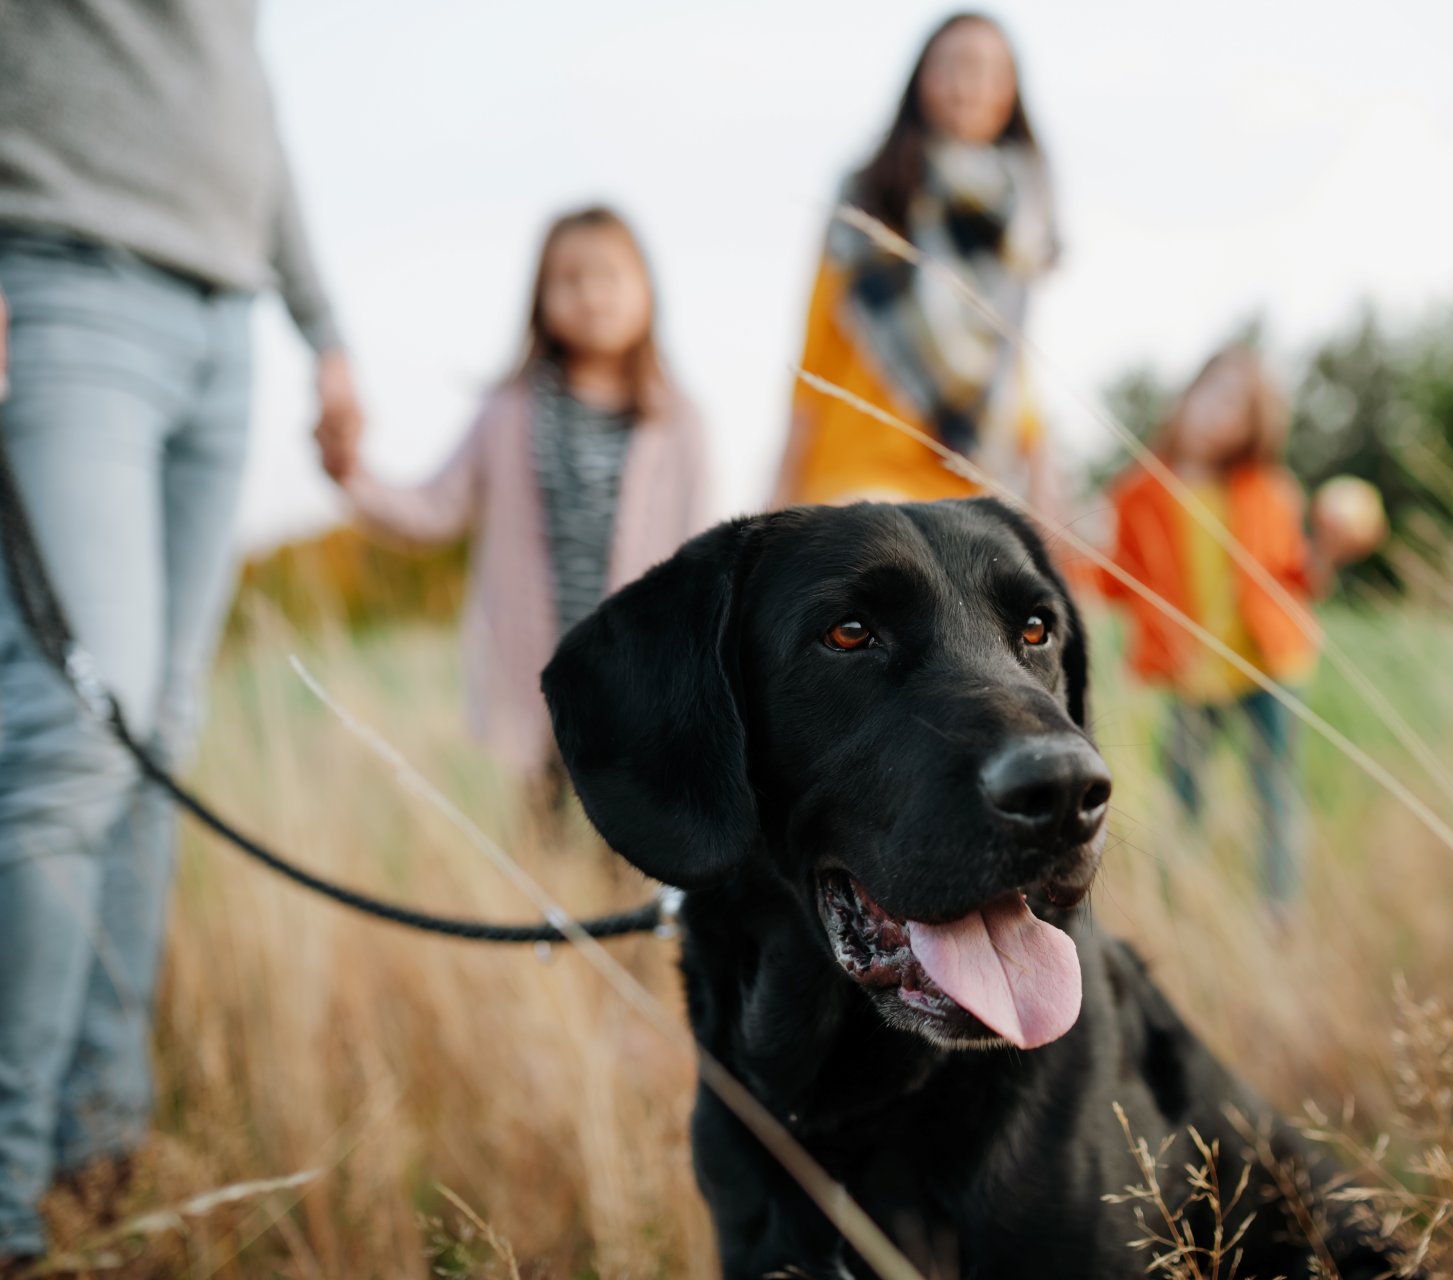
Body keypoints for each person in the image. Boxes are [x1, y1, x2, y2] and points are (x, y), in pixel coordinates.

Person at [0, 4, 363, 1269]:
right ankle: (4, 1195)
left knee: (157, 744)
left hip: (223, 324)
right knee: (72, 745)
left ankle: (98, 1144)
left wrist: (322, 329)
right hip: (57, 278)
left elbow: (238, 83)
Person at [319, 206, 707, 789]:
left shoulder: (678, 421)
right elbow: (436, 507)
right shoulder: (507, 410)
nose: (592, 294)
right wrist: (354, 477)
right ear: (541, 300)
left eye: (611, 276)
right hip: (541, 686)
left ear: (647, 289)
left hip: (641, 684)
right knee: (542, 835)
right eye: (570, 279)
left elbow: (702, 554)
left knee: (631, 847)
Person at [1097, 345, 1381, 906]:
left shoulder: (1269, 490)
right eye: (1215, 394)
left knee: (1274, 794)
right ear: (1189, 394)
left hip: (1270, 667)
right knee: (1182, 799)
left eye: (1240, 408)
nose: (1220, 414)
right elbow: (1116, 583)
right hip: (1189, 676)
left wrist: (1329, 548)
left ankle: (1278, 915)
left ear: (1254, 427)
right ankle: (1178, 912)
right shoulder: (1138, 492)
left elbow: (1297, 580)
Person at [771, 11, 1060, 518]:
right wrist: (779, 496)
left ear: (1011, 94)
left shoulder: (1022, 220)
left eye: (990, 70)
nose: (969, 84)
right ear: (920, 80)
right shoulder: (868, 195)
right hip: (858, 474)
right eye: (952, 65)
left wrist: (1043, 482)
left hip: (969, 482)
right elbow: (815, 349)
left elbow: (1014, 368)